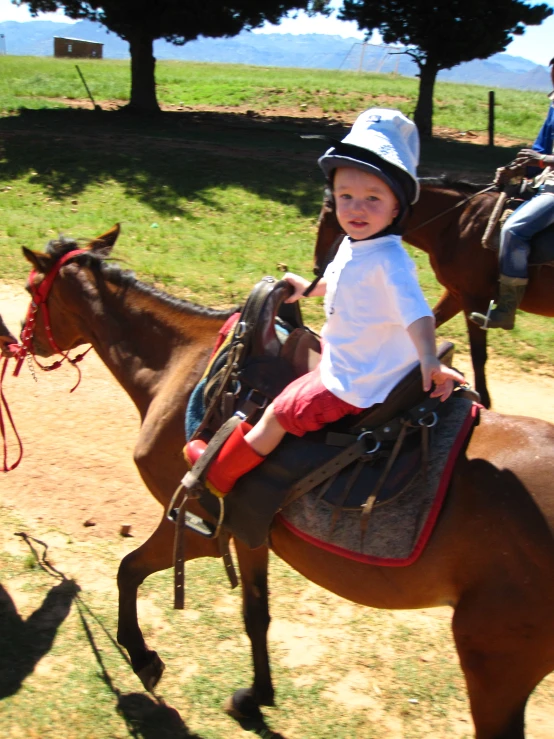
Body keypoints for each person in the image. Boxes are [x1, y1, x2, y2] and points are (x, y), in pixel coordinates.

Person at [185, 108, 464, 498]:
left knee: (279, 414)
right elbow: (340, 280)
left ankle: (219, 475)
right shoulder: (356, 244)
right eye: (345, 196)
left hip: (355, 381)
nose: (356, 208)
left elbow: (417, 313)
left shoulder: (391, 261)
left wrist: (430, 359)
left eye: (372, 198)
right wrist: (309, 288)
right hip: (351, 360)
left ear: (397, 207)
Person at [470, 57, 554, 331]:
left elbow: (543, 155)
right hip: (545, 180)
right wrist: (520, 166)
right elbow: (541, 146)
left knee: (514, 230)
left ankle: (506, 309)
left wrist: (542, 160)